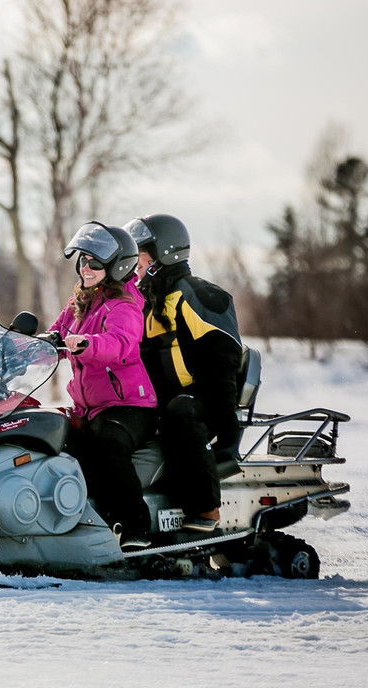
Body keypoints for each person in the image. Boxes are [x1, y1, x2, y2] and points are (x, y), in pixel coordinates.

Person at [43, 221, 159, 550]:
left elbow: (120, 344)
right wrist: (12, 346)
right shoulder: (80, 302)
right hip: (89, 407)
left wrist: (87, 345)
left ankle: (136, 527)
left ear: (115, 266)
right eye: (82, 261)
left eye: (94, 262)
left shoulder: (125, 305)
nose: (86, 267)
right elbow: (54, 334)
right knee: (61, 444)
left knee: (107, 445)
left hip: (130, 406)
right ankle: (86, 522)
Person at [124, 213, 242, 533]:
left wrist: (229, 430)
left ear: (164, 253)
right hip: (162, 399)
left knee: (181, 411)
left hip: (203, 399)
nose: (134, 262)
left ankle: (206, 508)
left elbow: (223, 360)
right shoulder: (147, 300)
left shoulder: (199, 295)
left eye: (140, 254)